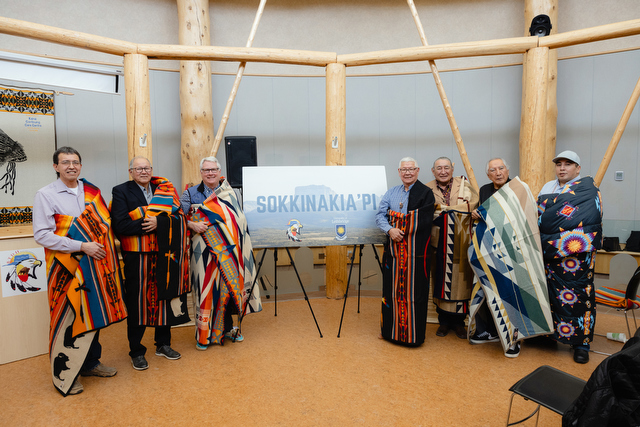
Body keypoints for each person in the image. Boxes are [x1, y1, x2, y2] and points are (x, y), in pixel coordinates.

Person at [33, 146, 127, 396]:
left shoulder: (92, 192)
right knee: (67, 317)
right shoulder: (45, 195)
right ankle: (66, 374)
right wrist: (81, 245)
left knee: (91, 312)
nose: (71, 166)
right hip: (65, 267)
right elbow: (42, 235)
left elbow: (103, 225)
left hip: (93, 264)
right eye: (65, 162)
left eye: (75, 162)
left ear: (80, 166)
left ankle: (91, 364)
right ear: (56, 167)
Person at [111, 156, 190, 371]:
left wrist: (160, 222)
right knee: (137, 301)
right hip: (137, 257)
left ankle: (163, 344)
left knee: (165, 298)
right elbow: (120, 225)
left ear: (151, 169)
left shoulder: (163, 189)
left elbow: (180, 218)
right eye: (138, 168)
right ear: (131, 171)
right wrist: (153, 224)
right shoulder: (120, 191)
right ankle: (136, 350)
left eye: (146, 168)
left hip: (165, 254)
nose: (143, 171)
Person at [180, 156, 261, 350]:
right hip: (203, 253)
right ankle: (204, 335)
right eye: (206, 170)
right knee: (205, 291)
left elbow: (239, 220)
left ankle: (227, 329)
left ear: (219, 171)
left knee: (228, 288)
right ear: (201, 173)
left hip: (229, 252)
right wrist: (191, 223)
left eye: (213, 169)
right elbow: (179, 219)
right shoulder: (190, 194)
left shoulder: (230, 193)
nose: (210, 173)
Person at [537, 150, 603, 364]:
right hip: (549, 255)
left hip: (576, 256)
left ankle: (581, 344)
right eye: (559, 164)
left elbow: (591, 217)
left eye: (568, 164)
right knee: (551, 296)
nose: (562, 168)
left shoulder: (588, 190)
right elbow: (539, 216)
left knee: (578, 297)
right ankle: (551, 335)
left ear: (578, 168)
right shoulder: (548, 187)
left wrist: (555, 229)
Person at [376, 157, 435, 346]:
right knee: (390, 291)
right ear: (399, 172)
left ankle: (413, 337)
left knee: (414, 293)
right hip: (393, 253)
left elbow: (424, 219)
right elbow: (380, 216)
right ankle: (389, 331)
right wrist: (390, 229)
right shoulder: (391, 193)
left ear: (418, 171)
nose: (407, 172)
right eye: (404, 169)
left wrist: (399, 221)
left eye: (411, 169)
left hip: (415, 255)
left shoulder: (426, 193)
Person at [468, 158, 520, 357]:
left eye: (501, 168)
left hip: (511, 250)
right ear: (488, 175)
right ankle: (487, 330)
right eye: (493, 170)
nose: (498, 172)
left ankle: (514, 338)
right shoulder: (484, 190)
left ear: (508, 170)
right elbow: (485, 213)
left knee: (510, 293)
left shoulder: (517, 189)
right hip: (488, 248)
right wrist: (477, 214)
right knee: (485, 289)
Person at [426, 157, 478, 339]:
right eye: (438, 168)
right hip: (438, 241)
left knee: (461, 282)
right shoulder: (427, 188)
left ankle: (458, 323)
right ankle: (444, 322)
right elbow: (426, 210)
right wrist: (450, 209)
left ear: (452, 169)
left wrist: (446, 209)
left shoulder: (464, 184)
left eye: (446, 167)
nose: (443, 171)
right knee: (440, 278)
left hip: (461, 241)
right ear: (433, 171)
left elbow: (473, 204)